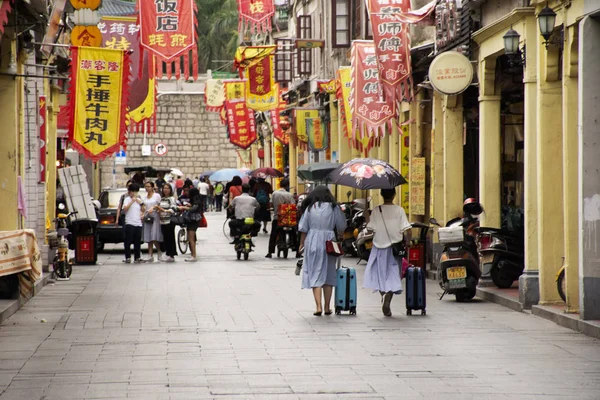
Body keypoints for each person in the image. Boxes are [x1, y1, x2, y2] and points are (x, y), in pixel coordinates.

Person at [297, 186, 346, 316]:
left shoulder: (310, 208)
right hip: (329, 241)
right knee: (329, 273)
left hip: (312, 240)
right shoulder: (334, 207)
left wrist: (301, 244)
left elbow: (303, 228)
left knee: (315, 272)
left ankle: (318, 306)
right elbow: (342, 225)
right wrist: (340, 235)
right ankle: (327, 307)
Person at [363, 188, 412, 317]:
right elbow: (407, 228)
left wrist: (367, 215)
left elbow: (370, 229)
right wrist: (408, 241)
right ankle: (388, 296)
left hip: (378, 248)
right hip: (394, 249)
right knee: (393, 274)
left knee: (380, 274)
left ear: (382, 195)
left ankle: (383, 293)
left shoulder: (376, 210)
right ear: (394, 195)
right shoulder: (399, 210)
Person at [266, 179, 296, 258]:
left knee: (273, 235)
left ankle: (270, 252)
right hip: (287, 219)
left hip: (277, 218)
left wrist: (274, 208)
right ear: (287, 186)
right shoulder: (289, 195)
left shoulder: (275, 193)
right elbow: (293, 205)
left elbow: (271, 204)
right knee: (294, 233)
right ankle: (297, 251)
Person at [178, 187, 203, 262]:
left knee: (191, 239)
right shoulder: (197, 199)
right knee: (192, 238)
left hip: (193, 220)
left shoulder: (196, 199)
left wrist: (184, 207)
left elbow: (194, 209)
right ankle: (193, 254)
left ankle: (193, 255)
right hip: (193, 220)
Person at [122, 183, 144, 263]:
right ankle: (128, 257)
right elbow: (125, 209)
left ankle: (137, 257)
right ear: (129, 192)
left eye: (136, 192)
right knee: (128, 241)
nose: (134, 194)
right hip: (130, 223)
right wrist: (132, 201)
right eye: (133, 192)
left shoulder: (139, 199)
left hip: (138, 223)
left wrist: (141, 205)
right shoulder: (127, 199)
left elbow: (143, 208)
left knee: (137, 242)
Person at [142, 181, 163, 262]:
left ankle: (159, 251)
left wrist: (154, 208)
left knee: (154, 235)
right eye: (146, 186)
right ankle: (150, 254)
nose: (147, 188)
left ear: (152, 187)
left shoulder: (156, 196)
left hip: (155, 217)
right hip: (147, 217)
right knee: (148, 236)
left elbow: (159, 205)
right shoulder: (144, 197)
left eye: (148, 186)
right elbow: (144, 207)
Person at [157, 183, 178, 262]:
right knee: (165, 238)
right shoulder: (162, 199)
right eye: (164, 188)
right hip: (162, 221)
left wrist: (164, 210)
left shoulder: (171, 198)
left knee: (170, 238)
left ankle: (171, 254)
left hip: (169, 221)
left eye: (167, 188)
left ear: (170, 190)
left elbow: (173, 208)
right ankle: (167, 253)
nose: (165, 190)